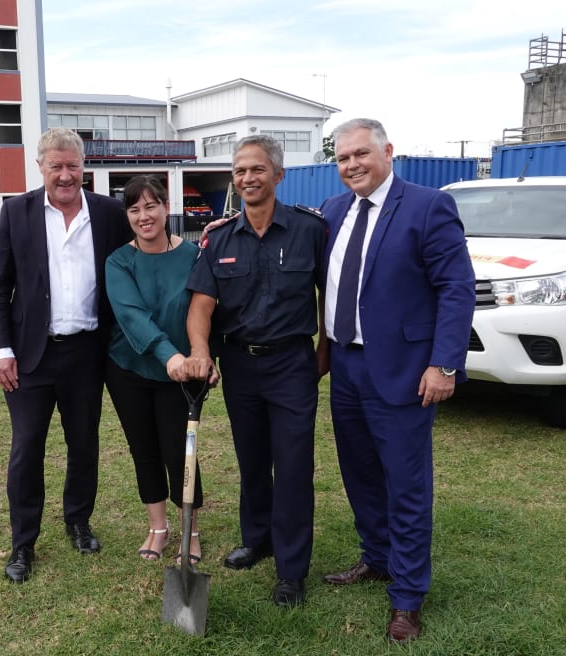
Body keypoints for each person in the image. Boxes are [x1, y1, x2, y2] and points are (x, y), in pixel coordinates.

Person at [320, 118, 475, 642]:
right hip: (345, 366)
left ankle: (407, 597)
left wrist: (444, 363)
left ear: (388, 151)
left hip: (406, 372)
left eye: (361, 154)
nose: (352, 166)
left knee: (407, 485)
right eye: (342, 158)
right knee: (360, 471)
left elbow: (457, 287)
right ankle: (378, 558)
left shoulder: (428, 206)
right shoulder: (332, 211)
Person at [183, 134, 328, 608]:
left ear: (278, 175)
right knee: (252, 461)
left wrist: (324, 349)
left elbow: (334, 296)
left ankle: (291, 569)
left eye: (258, 169)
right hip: (239, 365)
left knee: (292, 466)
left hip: (291, 363)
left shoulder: (310, 231)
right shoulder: (219, 237)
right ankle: (258, 538)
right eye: (241, 170)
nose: (248, 178)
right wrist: (201, 350)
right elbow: (201, 306)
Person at [0, 127, 133, 584]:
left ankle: (78, 520)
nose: (65, 175)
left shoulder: (109, 213)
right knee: (27, 448)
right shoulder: (17, 212)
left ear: (84, 166)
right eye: (56, 166)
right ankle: (23, 542)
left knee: (84, 443)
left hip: (88, 353)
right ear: (41, 167)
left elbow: (147, 246)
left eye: (73, 166)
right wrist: (1, 349)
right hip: (30, 355)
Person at [104, 175, 217, 565]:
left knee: (181, 451)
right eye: (134, 209)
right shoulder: (119, 261)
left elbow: (205, 310)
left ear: (167, 208)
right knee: (145, 450)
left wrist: (204, 358)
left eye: (151, 206)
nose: (143, 215)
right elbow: (133, 316)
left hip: (182, 375)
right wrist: (169, 356)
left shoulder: (193, 255)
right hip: (129, 370)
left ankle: (191, 530)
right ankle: (158, 528)